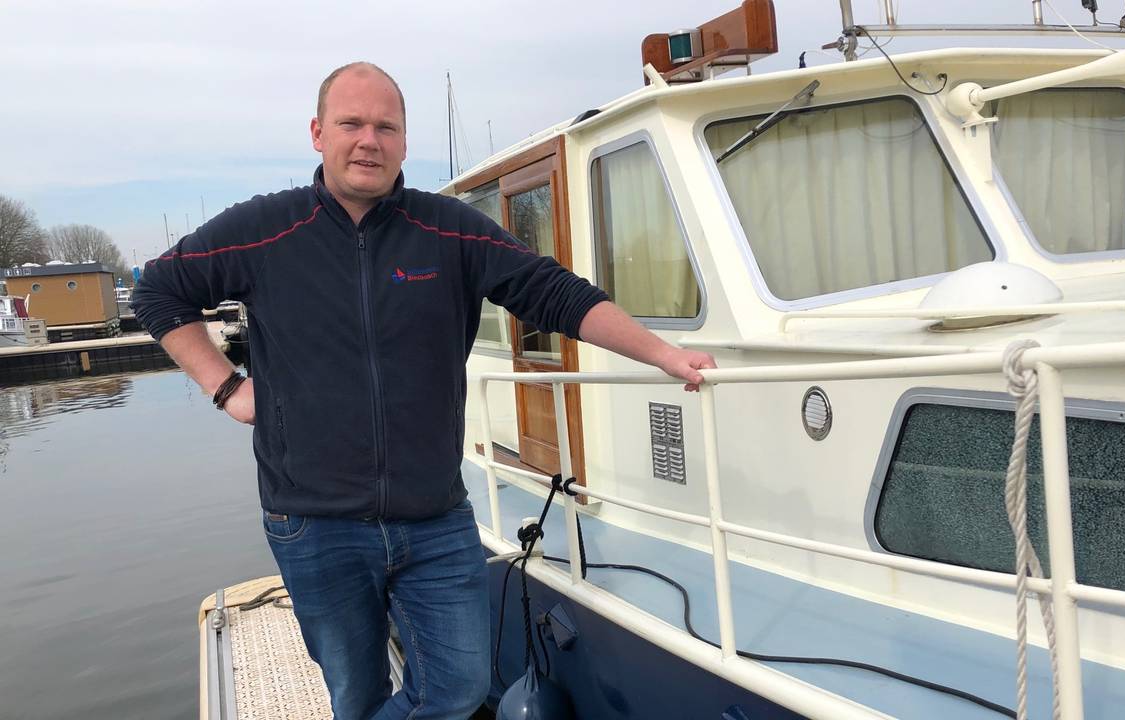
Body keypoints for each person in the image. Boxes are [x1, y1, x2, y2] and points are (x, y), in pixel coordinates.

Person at [131, 61, 716, 720]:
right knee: (355, 695)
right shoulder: (267, 230)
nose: (368, 140)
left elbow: (555, 294)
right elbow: (158, 290)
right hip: (314, 523)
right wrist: (227, 388)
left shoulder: (449, 230)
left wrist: (663, 353)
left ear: (405, 142)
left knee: (460, 689)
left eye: (386, 126)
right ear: (319, 133)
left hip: (434, 518)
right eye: (352, 124)